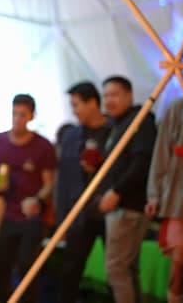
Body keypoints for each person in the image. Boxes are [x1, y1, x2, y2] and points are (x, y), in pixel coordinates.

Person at [0, 94, 56, 303]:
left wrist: (36, 200)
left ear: (31, 117)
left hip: (30, 217)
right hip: (3, 214)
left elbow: (49, 184)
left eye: (22, 115)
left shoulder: (43, 146)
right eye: (14, 113)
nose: (17, 119)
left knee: (27, 266)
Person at [97, 76, 156, 303]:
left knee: (117, 268)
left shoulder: (140, 121)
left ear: (129, 95)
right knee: (127, 269)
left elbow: (142, 162)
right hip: (122, 206)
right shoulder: (118, 125)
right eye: (106, 96)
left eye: (114, 94)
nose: (109, 100)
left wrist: (117, 191)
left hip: (128, 206)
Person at [56, 82, 111, 303]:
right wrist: (62, 220)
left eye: (77, 105)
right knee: (71, 269)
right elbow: (64, 180)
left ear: (93, 103)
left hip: (110, 210)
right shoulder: (71, 136)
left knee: (117, 270)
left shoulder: (117, 129)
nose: (74, 111)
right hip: (80, 212)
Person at [146, 97, 183, 303]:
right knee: (179, 260)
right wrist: (154, 194)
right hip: (179, 195)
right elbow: (161, 152)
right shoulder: (179, 107)